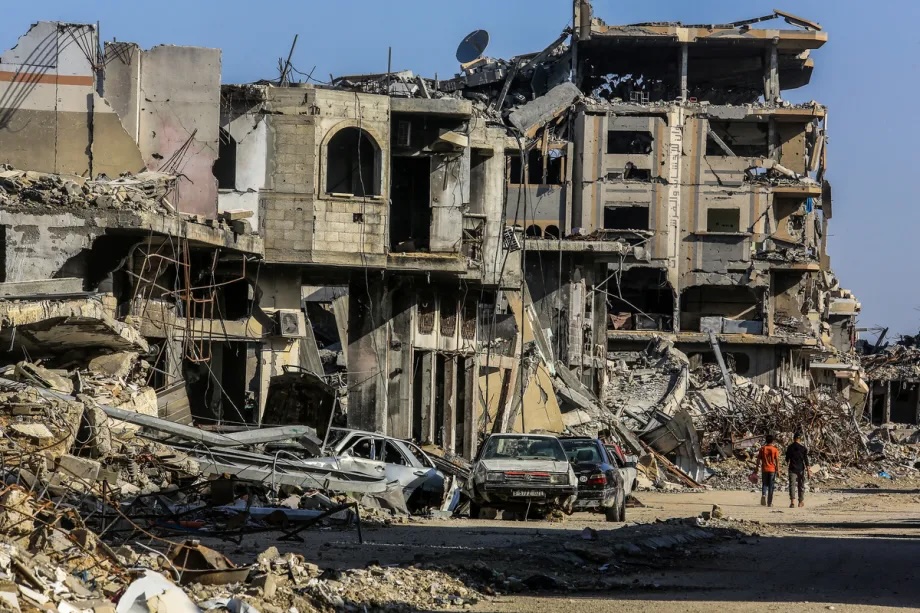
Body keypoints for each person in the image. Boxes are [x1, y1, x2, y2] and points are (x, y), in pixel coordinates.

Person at [785, 432, 810, 508]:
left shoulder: (790, 447)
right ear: (800, 439)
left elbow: (787, 459)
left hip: (792, 468)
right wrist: (808, 471)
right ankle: (800, 502)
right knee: (801, 485)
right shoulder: (803, 449)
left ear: (793, 438)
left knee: (792, 485)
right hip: (801, 469)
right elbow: (806, 460)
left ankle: (792, 502)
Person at [755, 434, 780, 507]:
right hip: (772, 469)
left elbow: (758, 459)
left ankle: (763, 494)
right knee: (771, 486)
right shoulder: (775, 449)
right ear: (772, 441)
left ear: (766, 440)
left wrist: (757, 468)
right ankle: (769, 502)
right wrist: (778, 470)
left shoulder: (762, 449)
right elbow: (777, 461)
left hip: (764, 469)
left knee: (764, 483)